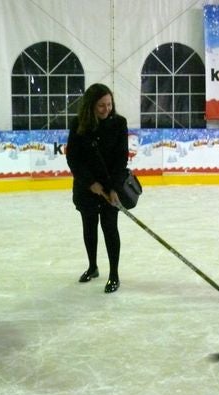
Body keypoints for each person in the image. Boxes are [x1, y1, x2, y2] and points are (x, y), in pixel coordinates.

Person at [66, 83, 129, 293]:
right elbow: (73, 158)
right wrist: (90, 183)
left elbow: (121, 159)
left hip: (111, 188)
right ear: (91, 106)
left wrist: (113, 188)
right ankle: (92, 267)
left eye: (109, 104)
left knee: (110, 229)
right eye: (101, 105)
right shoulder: (78, 124)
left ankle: (114, 274)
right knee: (89, 227)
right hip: (87, 188)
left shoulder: (119, 123)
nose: (106, 109)